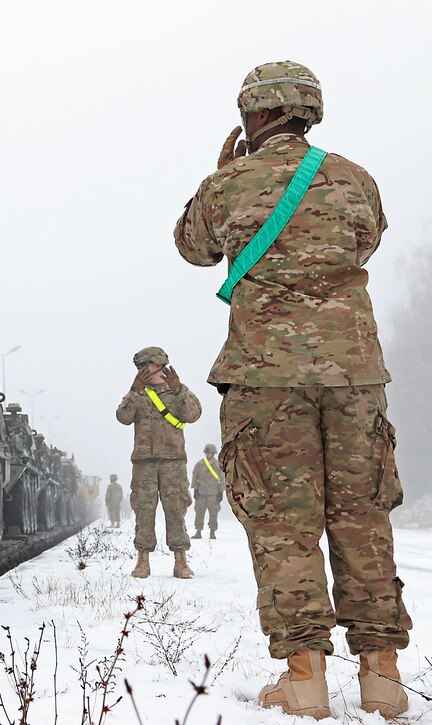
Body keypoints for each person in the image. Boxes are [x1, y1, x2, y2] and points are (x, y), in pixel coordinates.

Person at [173, 61, 411, 719]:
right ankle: (382, 677)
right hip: (354, 371)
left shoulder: (231, 183)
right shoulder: (355, 178)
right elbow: (370, 238)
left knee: (285, 523)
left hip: (266, 376)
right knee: (364, 515)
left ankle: (304, 676)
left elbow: (192, 247)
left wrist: (220, 174)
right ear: (308, 111)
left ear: (255, 115)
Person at [115, 346, 201, 579]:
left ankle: (181, 561)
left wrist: (179, 389)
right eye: (139, 367)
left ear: (158, 364)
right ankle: (143, 561)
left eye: (145, 365)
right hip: (144, 462)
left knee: (176, 509)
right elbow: (123, 418)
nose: (142, 369)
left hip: (173, 461)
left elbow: (193, 415)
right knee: (144, 510)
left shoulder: (176, 391)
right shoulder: (138, 393)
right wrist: (134, 391)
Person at [190, 444, 224, 539]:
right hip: (201, 493)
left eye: (210, 453)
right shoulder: (199, 464)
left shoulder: (218, 465)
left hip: (213, 493)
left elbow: (222, 479)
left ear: (213, 454)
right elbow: (194, 476)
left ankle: (212, 532)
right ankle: (198, 531)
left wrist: (221, 492)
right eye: (207, 452)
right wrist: (195, 489)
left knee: (213, 513)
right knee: (199, 512)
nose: (208, 454)